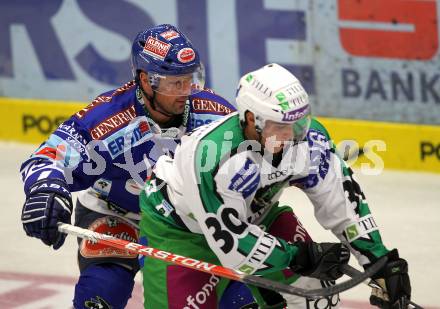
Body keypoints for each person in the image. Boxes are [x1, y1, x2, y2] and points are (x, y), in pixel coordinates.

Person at [139, 63, 412, 308]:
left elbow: (343, 204)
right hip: (180, 230)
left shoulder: (308, 140)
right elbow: (234, 246)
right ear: (249, 119)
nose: (294, 136)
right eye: (280, 126)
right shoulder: (213, 159)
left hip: (256, 215)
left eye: (299, 123)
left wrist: (379, 262)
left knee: (317, 295)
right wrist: (299, 256)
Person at [19, 24, 243, 309]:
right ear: (146, 81)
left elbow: (254, 163)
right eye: (175, 83)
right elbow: (47, 158)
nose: (186, 90)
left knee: (238, 300)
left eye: (189, 79)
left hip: (188, 225)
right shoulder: (107, 119)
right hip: (118, 217)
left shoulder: (214, 113)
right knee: (99, 298)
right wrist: (45, 190)